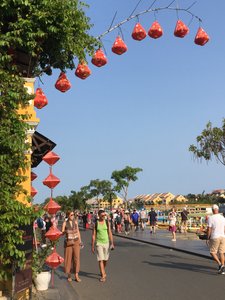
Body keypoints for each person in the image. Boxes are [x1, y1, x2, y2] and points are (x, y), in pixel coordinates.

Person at [92, 209, 114, 282]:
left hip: (106, 243)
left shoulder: (107, 222)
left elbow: (110, 233)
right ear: (98, 216)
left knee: (105, 260)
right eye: (102, 215)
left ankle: (102, 270)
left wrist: (112, 243)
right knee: (100, 259)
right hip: (99, 243)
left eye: (104, 215)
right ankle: (103, 275)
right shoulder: (96, 223)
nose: (103, 217)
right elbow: (93, 235)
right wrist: (92, 246)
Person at [62, 210, 82, 282]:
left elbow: (78, 231)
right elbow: (62, 233)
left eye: (73, 215)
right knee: (68, 259)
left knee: (76, 258)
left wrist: (80, 241)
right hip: (68, 243)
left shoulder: (75, 222)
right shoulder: (65, 223)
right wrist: (65, 231)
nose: (72, 216)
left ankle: (76, 275)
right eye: (71, 215)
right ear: (68, 215)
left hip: (76, 241)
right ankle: (69, 275)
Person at [206, 204, 225, 274]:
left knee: (212, 252)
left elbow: (209, 229)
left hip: (215, 236)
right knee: (222, 253)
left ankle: (220, 264)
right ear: (218, 209)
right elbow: (224, 228)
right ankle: (222, 267)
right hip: (223, 236)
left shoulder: (211, 218)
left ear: (212, 210)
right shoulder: (223, 217)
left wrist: (208, 238)